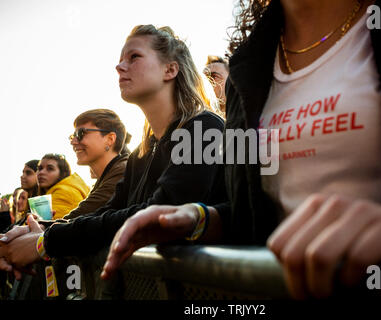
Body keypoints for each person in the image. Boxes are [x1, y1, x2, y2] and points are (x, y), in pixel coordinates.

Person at [99, 0, 381, 300]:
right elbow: (255, 216)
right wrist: (199, 219)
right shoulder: (247, 70)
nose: (120, 66)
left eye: (134, 56)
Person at [0, 24, 225, 277]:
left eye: (134, 57)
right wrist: (30, 234)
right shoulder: (141, 152)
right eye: (120, 60)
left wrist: (45, 243)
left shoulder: (205, 128)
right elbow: (106, 213)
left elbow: (160, 213)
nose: (119, 67)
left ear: (170, 69)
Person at [64, 109, 129, 219]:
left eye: (81, 133)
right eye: (72, 136)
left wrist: (42, 226)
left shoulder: (122, 172)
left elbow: (77, 218)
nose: (73, 142)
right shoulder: (108, 175)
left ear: (110, 139)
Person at [36, 153, 90, 219]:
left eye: (50, 169)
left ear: (63, 173)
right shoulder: (59, 190)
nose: (41, 172)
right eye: (40, 168)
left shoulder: (64, 192)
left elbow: (49, 226)